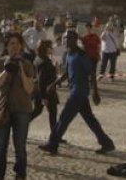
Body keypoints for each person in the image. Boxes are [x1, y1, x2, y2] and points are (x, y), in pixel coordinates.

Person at [38, 29, 114, 157]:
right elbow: (66, 74)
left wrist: (95, 91)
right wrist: (54, 84)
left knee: (64, 118)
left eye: (68, 38)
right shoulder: (68, 54)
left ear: (74, 39)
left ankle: (53, 144)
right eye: (64, 38)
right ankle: (106, 143)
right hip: (75, 91)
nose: (65, 40)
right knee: (90, 119)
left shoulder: (82, 55)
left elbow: (91, 73)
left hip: (79, 92)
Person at [0, 32, 35, 180]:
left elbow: (29, 89)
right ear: (7, 46)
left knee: (20, 147)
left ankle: (20, 176)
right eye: (11, 43)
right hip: (3, 109)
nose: (15, 46)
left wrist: (21, 69)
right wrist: (6, 70)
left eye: (17, 43)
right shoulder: (0, 62)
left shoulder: (28, 64)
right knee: (0, 147)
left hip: (22, 109)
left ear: (21, 46)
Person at [29, 39, 59, 138]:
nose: (53, 48)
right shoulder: (44, 61)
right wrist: (44, 97)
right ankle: (55, 135)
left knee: (37, 111)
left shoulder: (39, 58)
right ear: (46, 49)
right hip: (46, 91)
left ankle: (21, 125)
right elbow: (42, 80)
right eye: (51, 47)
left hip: (40, 90)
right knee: (52, 112)